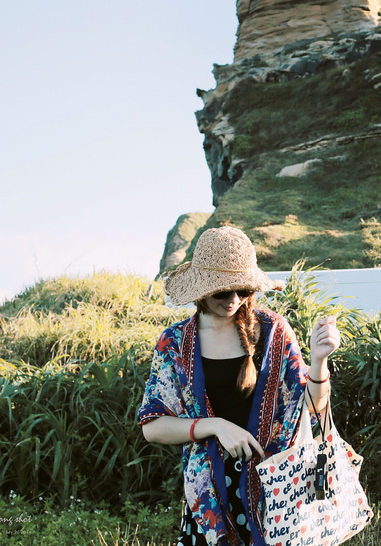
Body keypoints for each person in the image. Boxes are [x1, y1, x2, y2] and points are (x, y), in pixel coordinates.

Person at [137, 225, 340, 546]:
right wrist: (215, 426)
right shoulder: (175, 343)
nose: (233, 300)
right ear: (202, 290)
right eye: (222, 291)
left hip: (276, 492)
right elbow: (153, 427)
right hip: (209, 498)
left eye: (243, 290)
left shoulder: (273, 330)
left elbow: (313, 410)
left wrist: (319, 361)